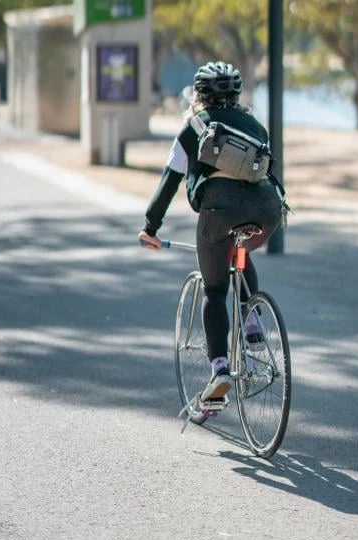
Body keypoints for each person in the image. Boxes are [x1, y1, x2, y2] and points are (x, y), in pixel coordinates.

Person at [138, 61, 283, 409]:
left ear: (199, 95)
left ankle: (219, 372)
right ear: (236, 94)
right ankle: (251, 321)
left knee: (215, 289)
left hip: (219, 213)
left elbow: (169, 182)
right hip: (267, 210)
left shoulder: (194, 127)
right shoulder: (255, 125)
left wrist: (150, 228)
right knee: (239, 251)